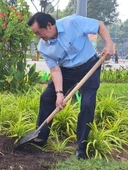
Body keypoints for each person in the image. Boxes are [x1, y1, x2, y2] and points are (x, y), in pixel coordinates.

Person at [27, 12, 113, 159]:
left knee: (87, 104)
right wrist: (59, 93)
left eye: (38, 32)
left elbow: (99, 25)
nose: (38, 37)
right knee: (47, 97)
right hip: (66, 71)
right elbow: (55, 69)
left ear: (49, 25)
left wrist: (109, 44)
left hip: (89, 66)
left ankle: (81, 148)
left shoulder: (72, 22)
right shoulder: (43, 46)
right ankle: (40, 138)